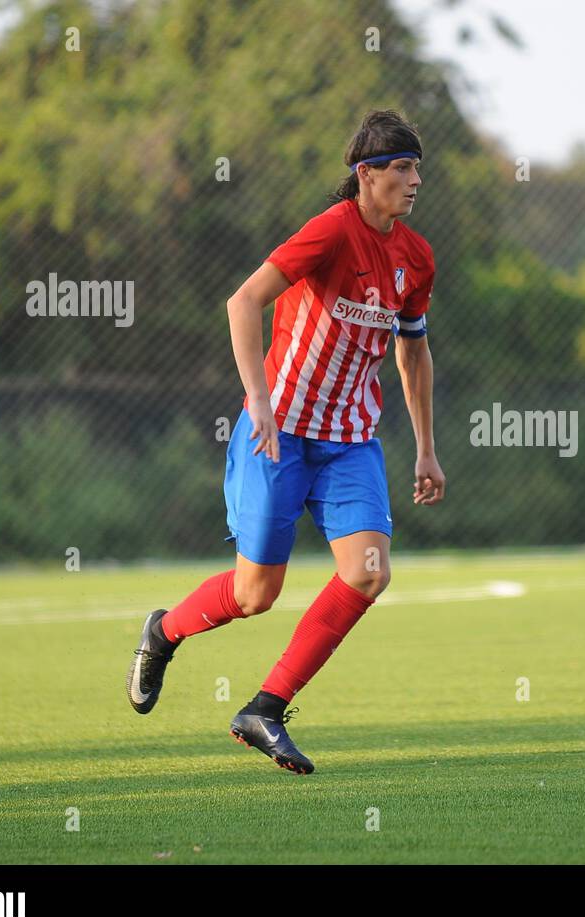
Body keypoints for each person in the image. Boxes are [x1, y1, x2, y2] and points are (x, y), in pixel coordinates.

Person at [125, 109, 444, 775]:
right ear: (368, 175)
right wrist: (260, 400)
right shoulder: (331, 232)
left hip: (351, 441)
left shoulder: (416, 257)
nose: (417, 180)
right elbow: (243, 303)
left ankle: (266, 708)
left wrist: (425, 446)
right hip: (281, 433)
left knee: (369, 571)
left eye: (417, 167)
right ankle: (164, 631)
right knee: (253, 595)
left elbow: (413, 353)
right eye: (404, 168)